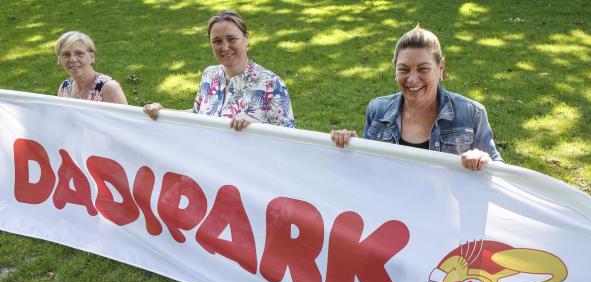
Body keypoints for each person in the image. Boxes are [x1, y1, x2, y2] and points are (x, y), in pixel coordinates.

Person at [330, 25, 502, 171]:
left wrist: (484, 160)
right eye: (404, 69)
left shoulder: (471, 114)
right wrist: (350, 146)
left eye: (423, 69)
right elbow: (368, 171)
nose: (412, 79)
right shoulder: (377, 110)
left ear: (440, 68)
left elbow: (503, 178)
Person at [144, 10, 294, 131]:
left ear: (246, 37)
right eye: (217, 41)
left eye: (231, 39)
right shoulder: (209, 75)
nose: (225, 47)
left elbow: (290, 139)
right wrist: (163, 113)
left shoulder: (271, 84)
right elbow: (198, 115)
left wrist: (254, 126)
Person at [55, 31, 127, 104]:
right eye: (66, 54)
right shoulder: (64, 87)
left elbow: (124, 115)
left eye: (79, 53)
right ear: (60, 60)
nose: (72, 59)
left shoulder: (109, 88)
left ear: (92, 57)